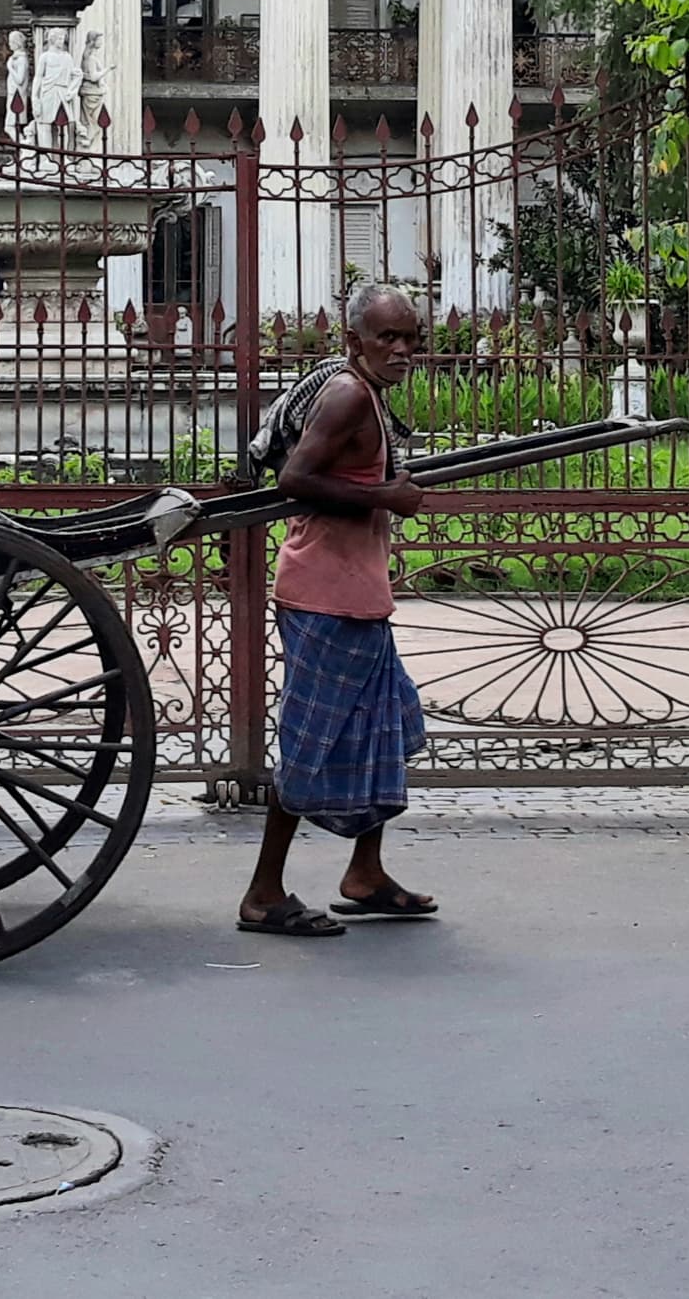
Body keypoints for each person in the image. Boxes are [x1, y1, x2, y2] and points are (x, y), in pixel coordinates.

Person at [239, 282, 436, 938]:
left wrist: (381, 493)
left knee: (386, 726)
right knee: (308, 741)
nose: (404, 349)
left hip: (358, 594)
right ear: (355, 342)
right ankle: (264, 893)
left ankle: (365, 872)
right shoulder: (350, 393)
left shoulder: (369, 393)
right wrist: (384, 497)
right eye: (389, 337)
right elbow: (294, 480)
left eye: (411, 337)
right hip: (324, 598)